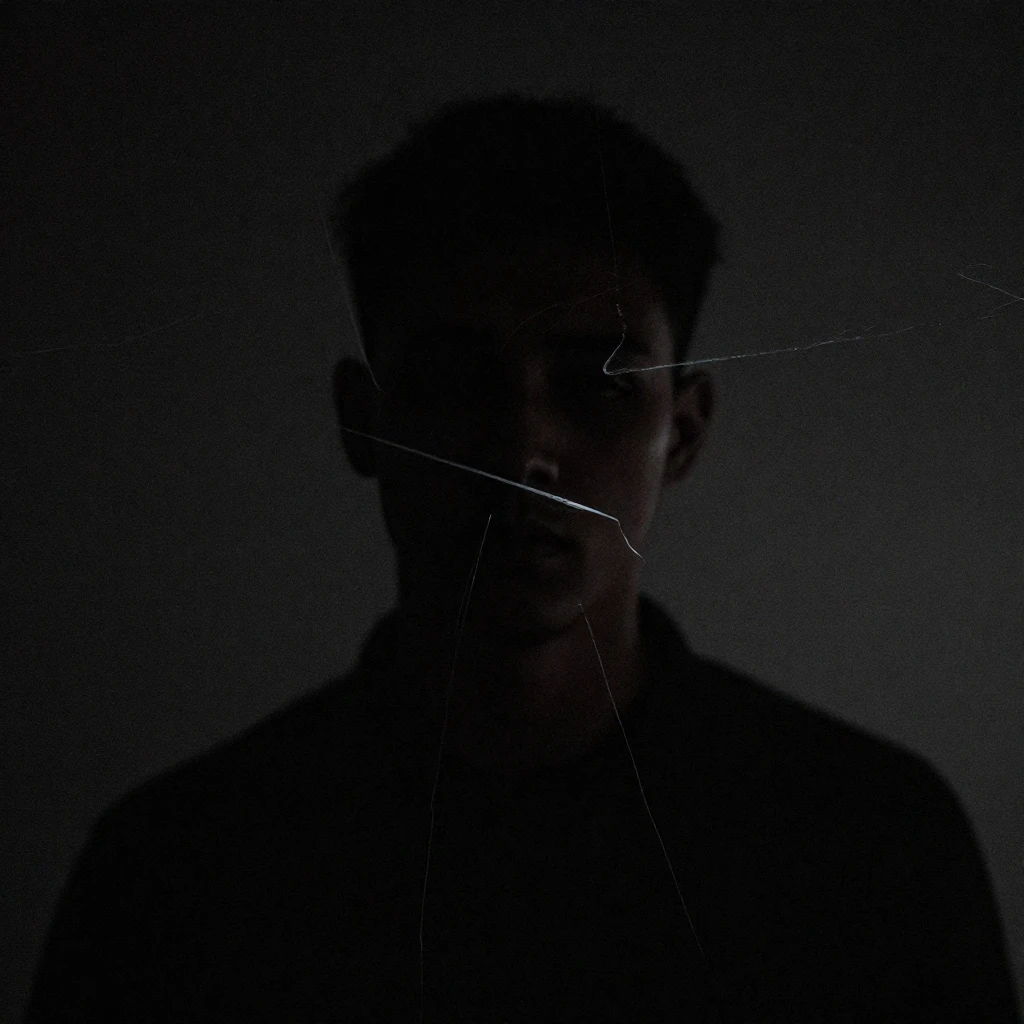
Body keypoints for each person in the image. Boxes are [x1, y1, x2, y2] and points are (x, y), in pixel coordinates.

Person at [24, 93, 1019, 1024]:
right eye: (455, 381)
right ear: (364, 424)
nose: (521, 449)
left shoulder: (872, 850)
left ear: (682, 432)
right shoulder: (176, 874)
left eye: (597, 387)